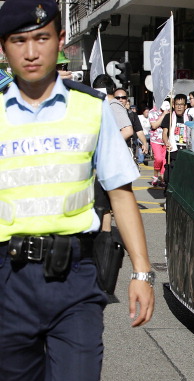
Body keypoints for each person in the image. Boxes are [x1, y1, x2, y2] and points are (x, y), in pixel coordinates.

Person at [0, 1, 155, 380]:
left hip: (75, 276)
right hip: (7, 278)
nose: (32, 52)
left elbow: (120, 193)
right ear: (3, 48)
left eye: (41, 37)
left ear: (61, 40)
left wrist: (142, 273)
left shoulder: (93, 108)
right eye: (19, 41)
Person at [114, 87, 148, 164]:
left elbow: (139, 131)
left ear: (126, 100)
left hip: (127, 150)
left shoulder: (132, 115)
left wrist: (144, 143)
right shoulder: (107, 113)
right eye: (117, 98)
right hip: (111, 150)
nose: (120, 100)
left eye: (123, 97)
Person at [162, 94, 189, 188]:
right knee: (169, 178)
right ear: (173, 105)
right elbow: (164, 133)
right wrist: (166, 142)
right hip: (172, 152)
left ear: (186, 106)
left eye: (181, 104)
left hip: (185, 152)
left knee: (183, 179)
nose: (179, 107)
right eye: (177, 104)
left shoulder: (189, 118)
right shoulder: (169, 117)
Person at [148, 100, 169, 187]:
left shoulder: (169, 110)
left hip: (166, 139)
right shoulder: (152, 112)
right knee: (159, 159)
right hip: (155, 139)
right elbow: (154, 125)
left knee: (164, 161)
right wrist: (164, 114)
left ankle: (163, 179)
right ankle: (156, 175)